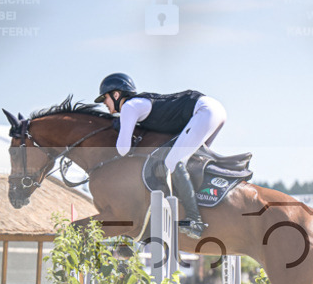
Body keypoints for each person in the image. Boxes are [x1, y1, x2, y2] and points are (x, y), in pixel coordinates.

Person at [95, 72, 227, 239]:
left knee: (173, 161)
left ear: (116, 94)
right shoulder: (139, 104)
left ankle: (195, 220)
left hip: (205, 111)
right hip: (213, 110)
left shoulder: (129, 106)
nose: (104, 104)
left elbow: (123, 149)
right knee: (187, 163)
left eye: (105, 98)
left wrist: (118, 127)